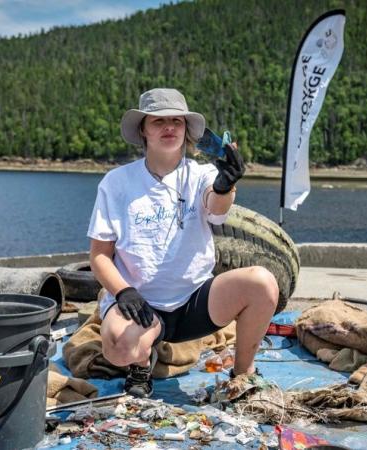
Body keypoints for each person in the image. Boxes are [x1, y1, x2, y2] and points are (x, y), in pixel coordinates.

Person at [87, 88, 279, 398]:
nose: (169, 128)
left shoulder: (201, 173)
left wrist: (225, 185)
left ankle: (243, 373)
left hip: (196, 303)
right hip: (140, 305)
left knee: (263, 284)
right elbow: (99, 256)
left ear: (187, 130)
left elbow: (216, 208)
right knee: (119, 348)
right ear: (143, 130)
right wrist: (123, 291)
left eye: (176, 121)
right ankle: (140, 363)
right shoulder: (116, 182)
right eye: (158, 121)